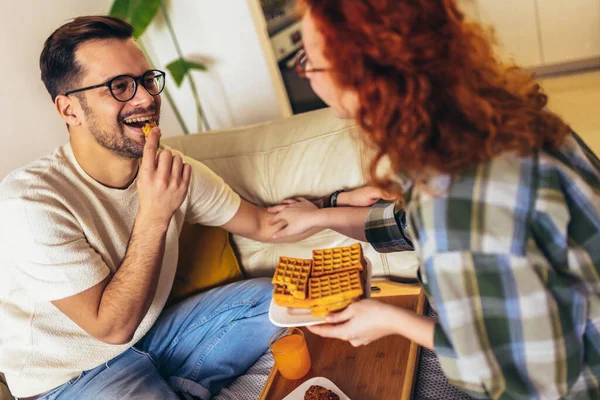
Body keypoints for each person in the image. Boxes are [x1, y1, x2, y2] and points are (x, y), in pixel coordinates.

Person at [268, 1, 600, 399]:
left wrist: (391, 320)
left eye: (308, 64)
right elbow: (410, 225)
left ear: (360, 78)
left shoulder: (459, 198)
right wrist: (320, 215)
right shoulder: (485, 118)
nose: (305, 76)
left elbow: (531, 379)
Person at [0, 15, 305, 400]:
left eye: (146, 80)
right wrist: (155, 214)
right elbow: (110, 328)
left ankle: (173, 389)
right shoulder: (30, 202)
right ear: (69, 110)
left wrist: (341, 204)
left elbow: (263, 223)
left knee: (275, 299)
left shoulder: (166, 168)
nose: (146, 98)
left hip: (154, 340)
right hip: (72, 378)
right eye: (120, 86)